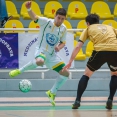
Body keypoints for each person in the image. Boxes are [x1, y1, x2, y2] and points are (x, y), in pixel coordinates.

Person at [9, 1, 69, 106]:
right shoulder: (46, 22)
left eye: (62, 19)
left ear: (65, 19)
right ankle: (20, 70)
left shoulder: (64, 29)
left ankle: (52, 92)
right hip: (41, 50)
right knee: (40, 61)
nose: (60, 20)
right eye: (58, 17)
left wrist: (59, 47)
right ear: (55, 15)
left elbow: (63, 42)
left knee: (66, 73)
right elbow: (34, 17)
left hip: (52, 55)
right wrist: (28, 9)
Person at [63, 14, 117, 110]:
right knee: (114, 74)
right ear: (98, 21)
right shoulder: (110, 27)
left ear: (88, 23)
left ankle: (77, 101)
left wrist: (70, 61)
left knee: (86, 75)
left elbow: (78, 46)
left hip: (99, 51)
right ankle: (110, 100)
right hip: (115, 51)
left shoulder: (88, 29)